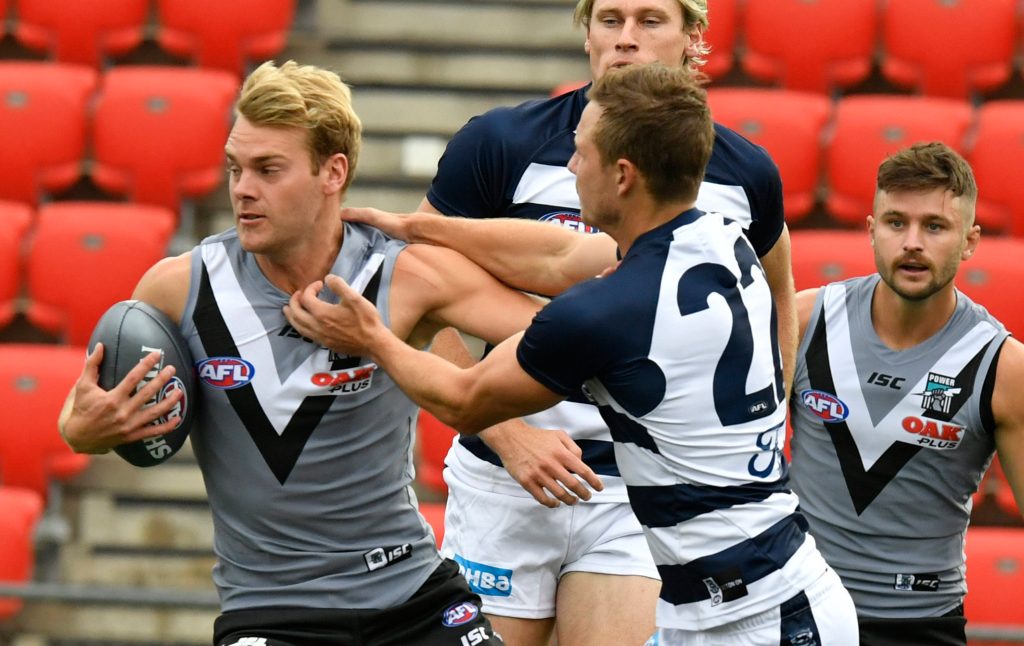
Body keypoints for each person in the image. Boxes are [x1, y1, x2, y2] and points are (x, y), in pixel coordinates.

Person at [289, 62, 856, 646]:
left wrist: (373, 338)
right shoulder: (716, 236)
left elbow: (463, 401)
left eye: (582, 152)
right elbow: (557, 254)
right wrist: (418, 226)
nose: (569, 164)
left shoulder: (608, 312)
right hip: (760, 594)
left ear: (623, 176)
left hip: (759, 620)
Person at [56, 60, 593, 646]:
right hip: (272, 613)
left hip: (410, 595)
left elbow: (566, 330)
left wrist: (391, 328)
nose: (242, 189)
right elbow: (82, 422)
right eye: (236, 169)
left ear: (332, 172)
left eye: (268, 169)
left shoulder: (402, 273)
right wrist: (82, 427)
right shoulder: (177, 287)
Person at [408, 1, 797, 643]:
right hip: (507, 478)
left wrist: (758, 426)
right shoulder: (502, 142)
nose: (626, 40)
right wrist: (508, 434)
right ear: (586, 32)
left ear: (692, 37)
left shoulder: (743, 170)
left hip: (635, 492)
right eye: (610, 19)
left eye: (650, 20)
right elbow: (418, 285)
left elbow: (778, 296)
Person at [787, 142, 1024, 646]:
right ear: (871, 230)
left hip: (920, 625)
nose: (912, 242)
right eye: (896, 223)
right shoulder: (804, 321)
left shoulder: (1003, 366)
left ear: (970, 241)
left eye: (935, 227)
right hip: (796, 607)